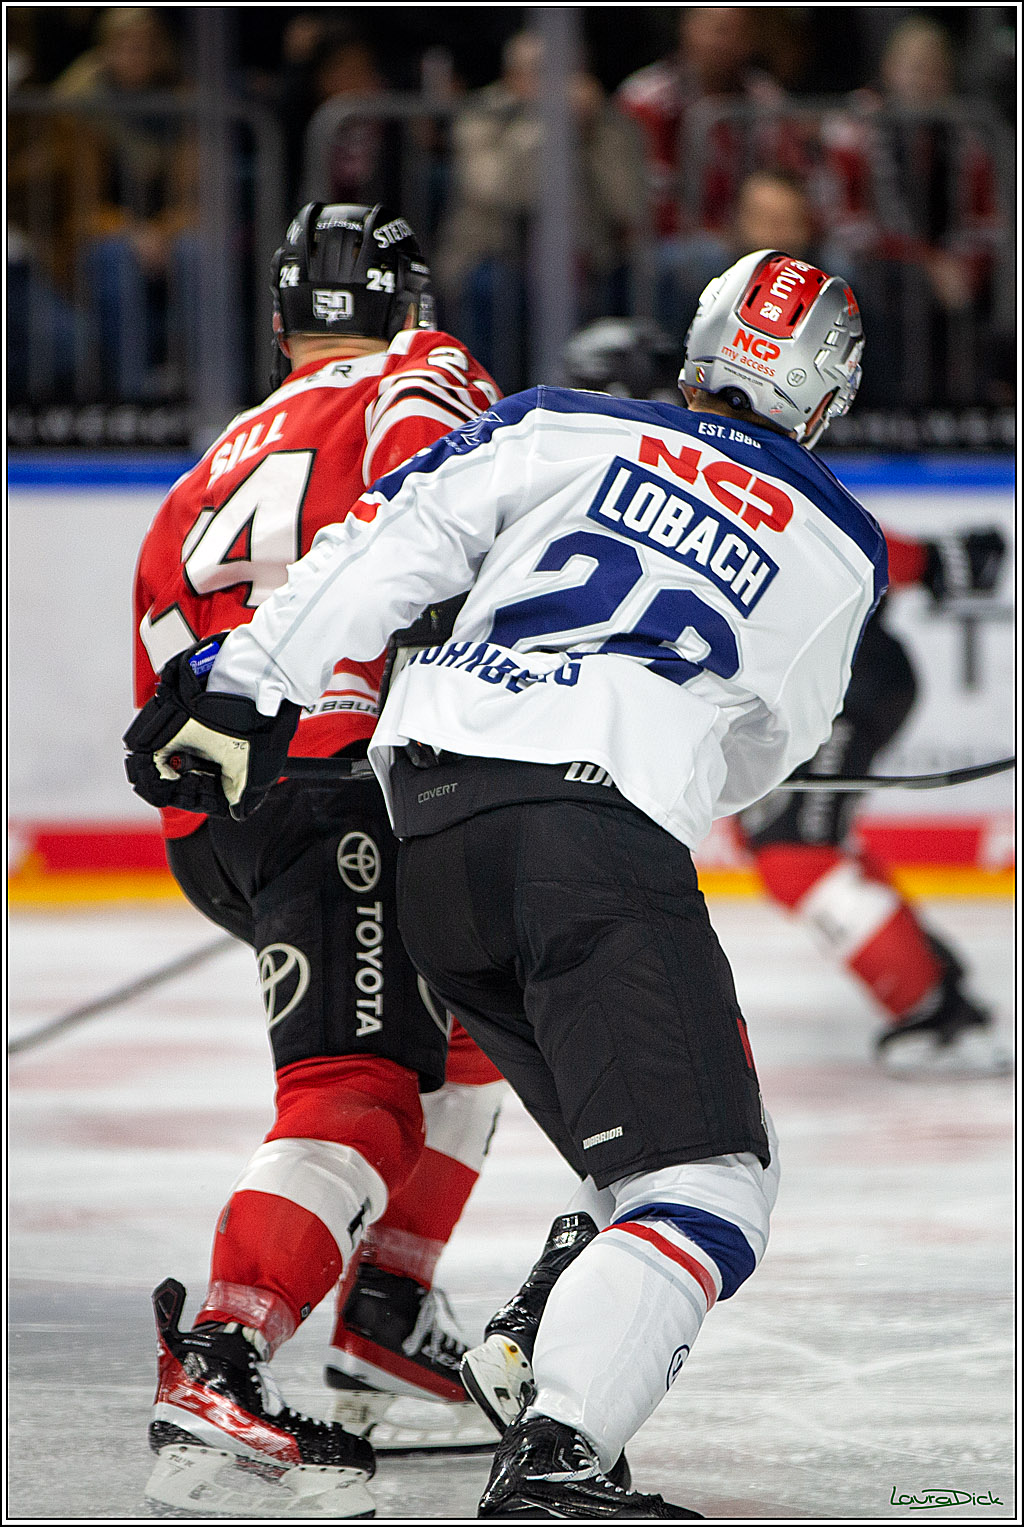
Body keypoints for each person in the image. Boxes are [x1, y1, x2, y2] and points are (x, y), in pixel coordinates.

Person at [125, 247, 882, 1516]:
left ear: (700, 347)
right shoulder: (838, 544)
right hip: (595, 842)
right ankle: (559, 1449)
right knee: (704, 1182)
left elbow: (394, 535)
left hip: (432, 832)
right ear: (825, 392)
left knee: (606, 1147)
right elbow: (765, 750)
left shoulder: (561, 424)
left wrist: (248, 682)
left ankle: (516, 1330)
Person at [124, 201, 508, 1516]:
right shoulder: (421, 367)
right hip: (341, 784)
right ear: (408, 304)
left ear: (282, 321)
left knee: (467, 1025)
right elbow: (435, 513)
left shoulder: (208, 466)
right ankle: (222, 1360)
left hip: (229, 821)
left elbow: (167, 698)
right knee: (358, 1088)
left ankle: (387, 1307)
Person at [559, 316, 1009, 1076]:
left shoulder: (677, 456)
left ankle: (939, 1011)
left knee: (796, 851)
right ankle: (934, 980)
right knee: (797, 844)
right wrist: (935, 562)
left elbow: (830, 536)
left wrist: (930, 561)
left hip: (842, 680)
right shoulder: (662, 453)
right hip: (821, 678)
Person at [434, 29, 647, 392]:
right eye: (546, 72)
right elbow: (499, 189)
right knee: (492, 289)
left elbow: (628, 204)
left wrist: (593, 135)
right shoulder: (482, 115)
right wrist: (547, 127)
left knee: (632, 286)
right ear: (513, 77)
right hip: (493, 255)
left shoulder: (604, 122)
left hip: (588, 261)